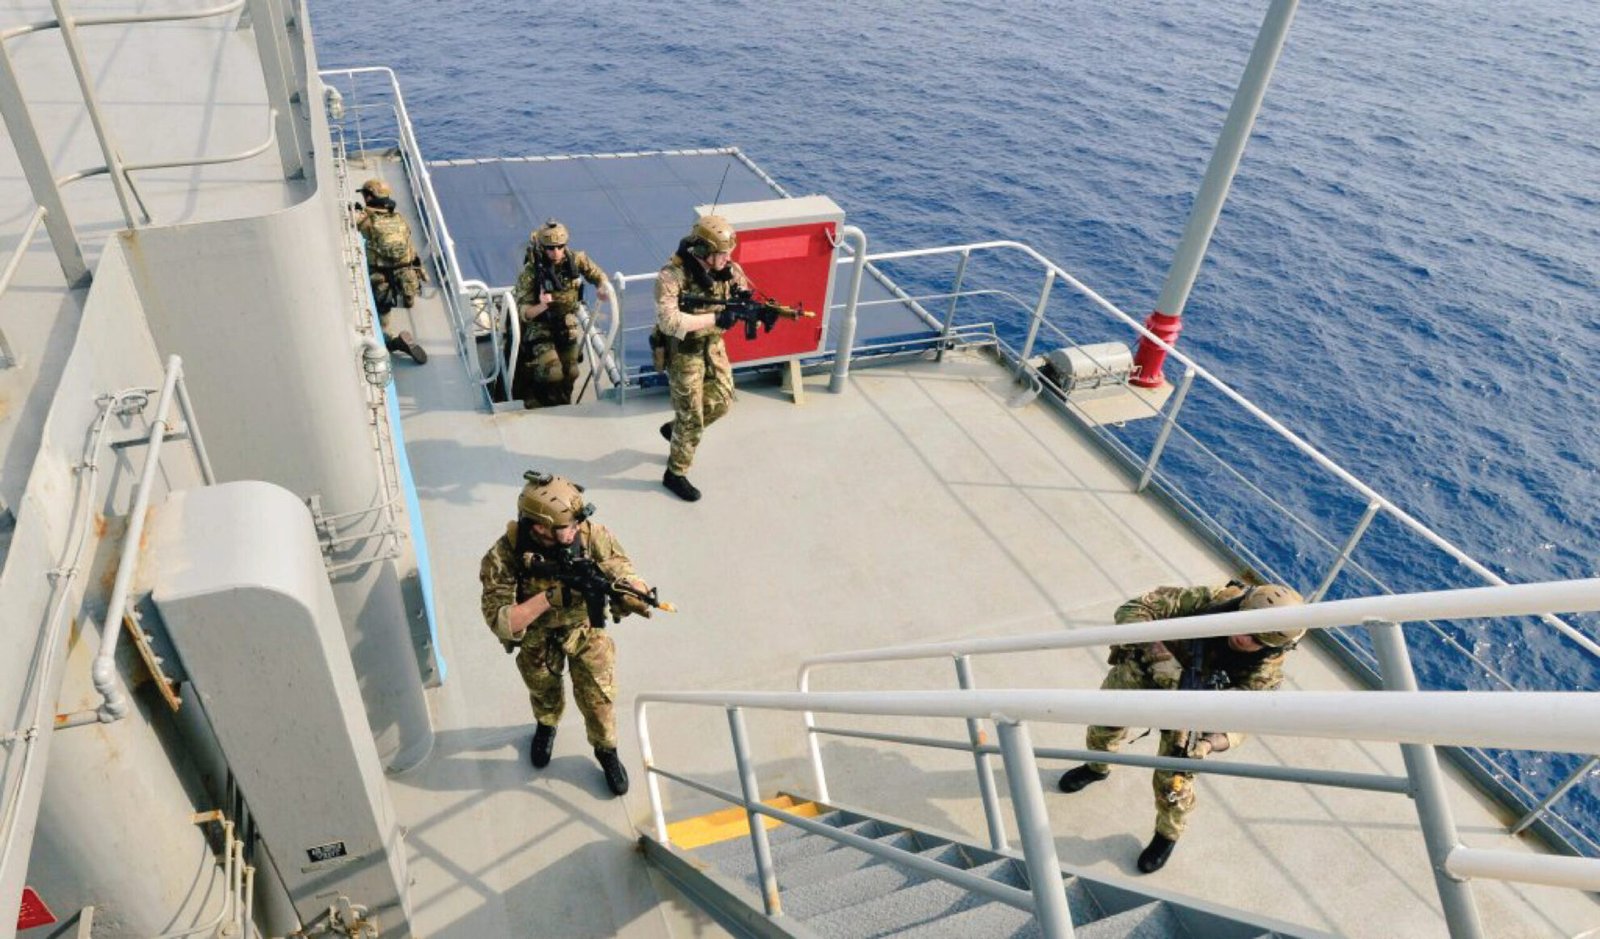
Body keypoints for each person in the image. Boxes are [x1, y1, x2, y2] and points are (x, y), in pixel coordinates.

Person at [1056, 582, 1305, 873]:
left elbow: (1244, 719)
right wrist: (1158, 653)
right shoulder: (1212, 601)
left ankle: (1167, 835)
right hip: (1143, 674)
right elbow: (1133, 610)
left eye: (1255, 639)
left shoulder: (1264, 673)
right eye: (1244, 625)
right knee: (1103, 727)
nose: (1242, 637)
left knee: (1174, 784)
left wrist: (1210, 744)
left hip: (1191, 715)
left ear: (1273, 646)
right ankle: (1097, 767)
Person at [478, 472, 657, 796]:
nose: (576, 529)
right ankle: (547, 725)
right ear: (539, 527)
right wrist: (550, 598)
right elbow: (503, 621)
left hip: (585, 630)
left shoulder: (590, 535)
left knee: (599, 697)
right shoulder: (504, 555)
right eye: (567, 526)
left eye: (576, 523)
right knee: (542, 689)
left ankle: (606, 750)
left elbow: (620, 567)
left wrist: (635, 590)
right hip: (537, 636)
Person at [652, 214, 750, 502]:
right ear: (704, 251)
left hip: (713, 347)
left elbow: (742, 288)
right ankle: (675, 473)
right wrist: (715, 318)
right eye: (721, 254)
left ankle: (676, 430)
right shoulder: (672, 276)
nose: (727, 259)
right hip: (684, 352)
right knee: (691, 417)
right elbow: (669, 322)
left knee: (723, 401)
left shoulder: (728, 269)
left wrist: (747, 304)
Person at [511, 219, 611, 408]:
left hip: (566, 323)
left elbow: (597, 274)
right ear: (543, 248)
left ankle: (562, 401)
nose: (556, 252)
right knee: (553, 372)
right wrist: (541, 305)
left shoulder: (577, 260)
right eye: (550, 248)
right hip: (540, 325)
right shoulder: (531, 272)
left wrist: (602, 286)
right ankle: (536, 396)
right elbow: (523, 311)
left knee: (572, 371)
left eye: (560, 247)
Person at [354, 178, 428, 364]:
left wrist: (356, 213)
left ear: (369, 197)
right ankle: (409, 300)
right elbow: (409, 243)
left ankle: (395, 342)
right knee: (408, 291)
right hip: (406, 271)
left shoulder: (367, 220)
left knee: (384, 318)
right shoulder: (399, 218)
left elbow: (355, 226)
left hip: (381, 275)